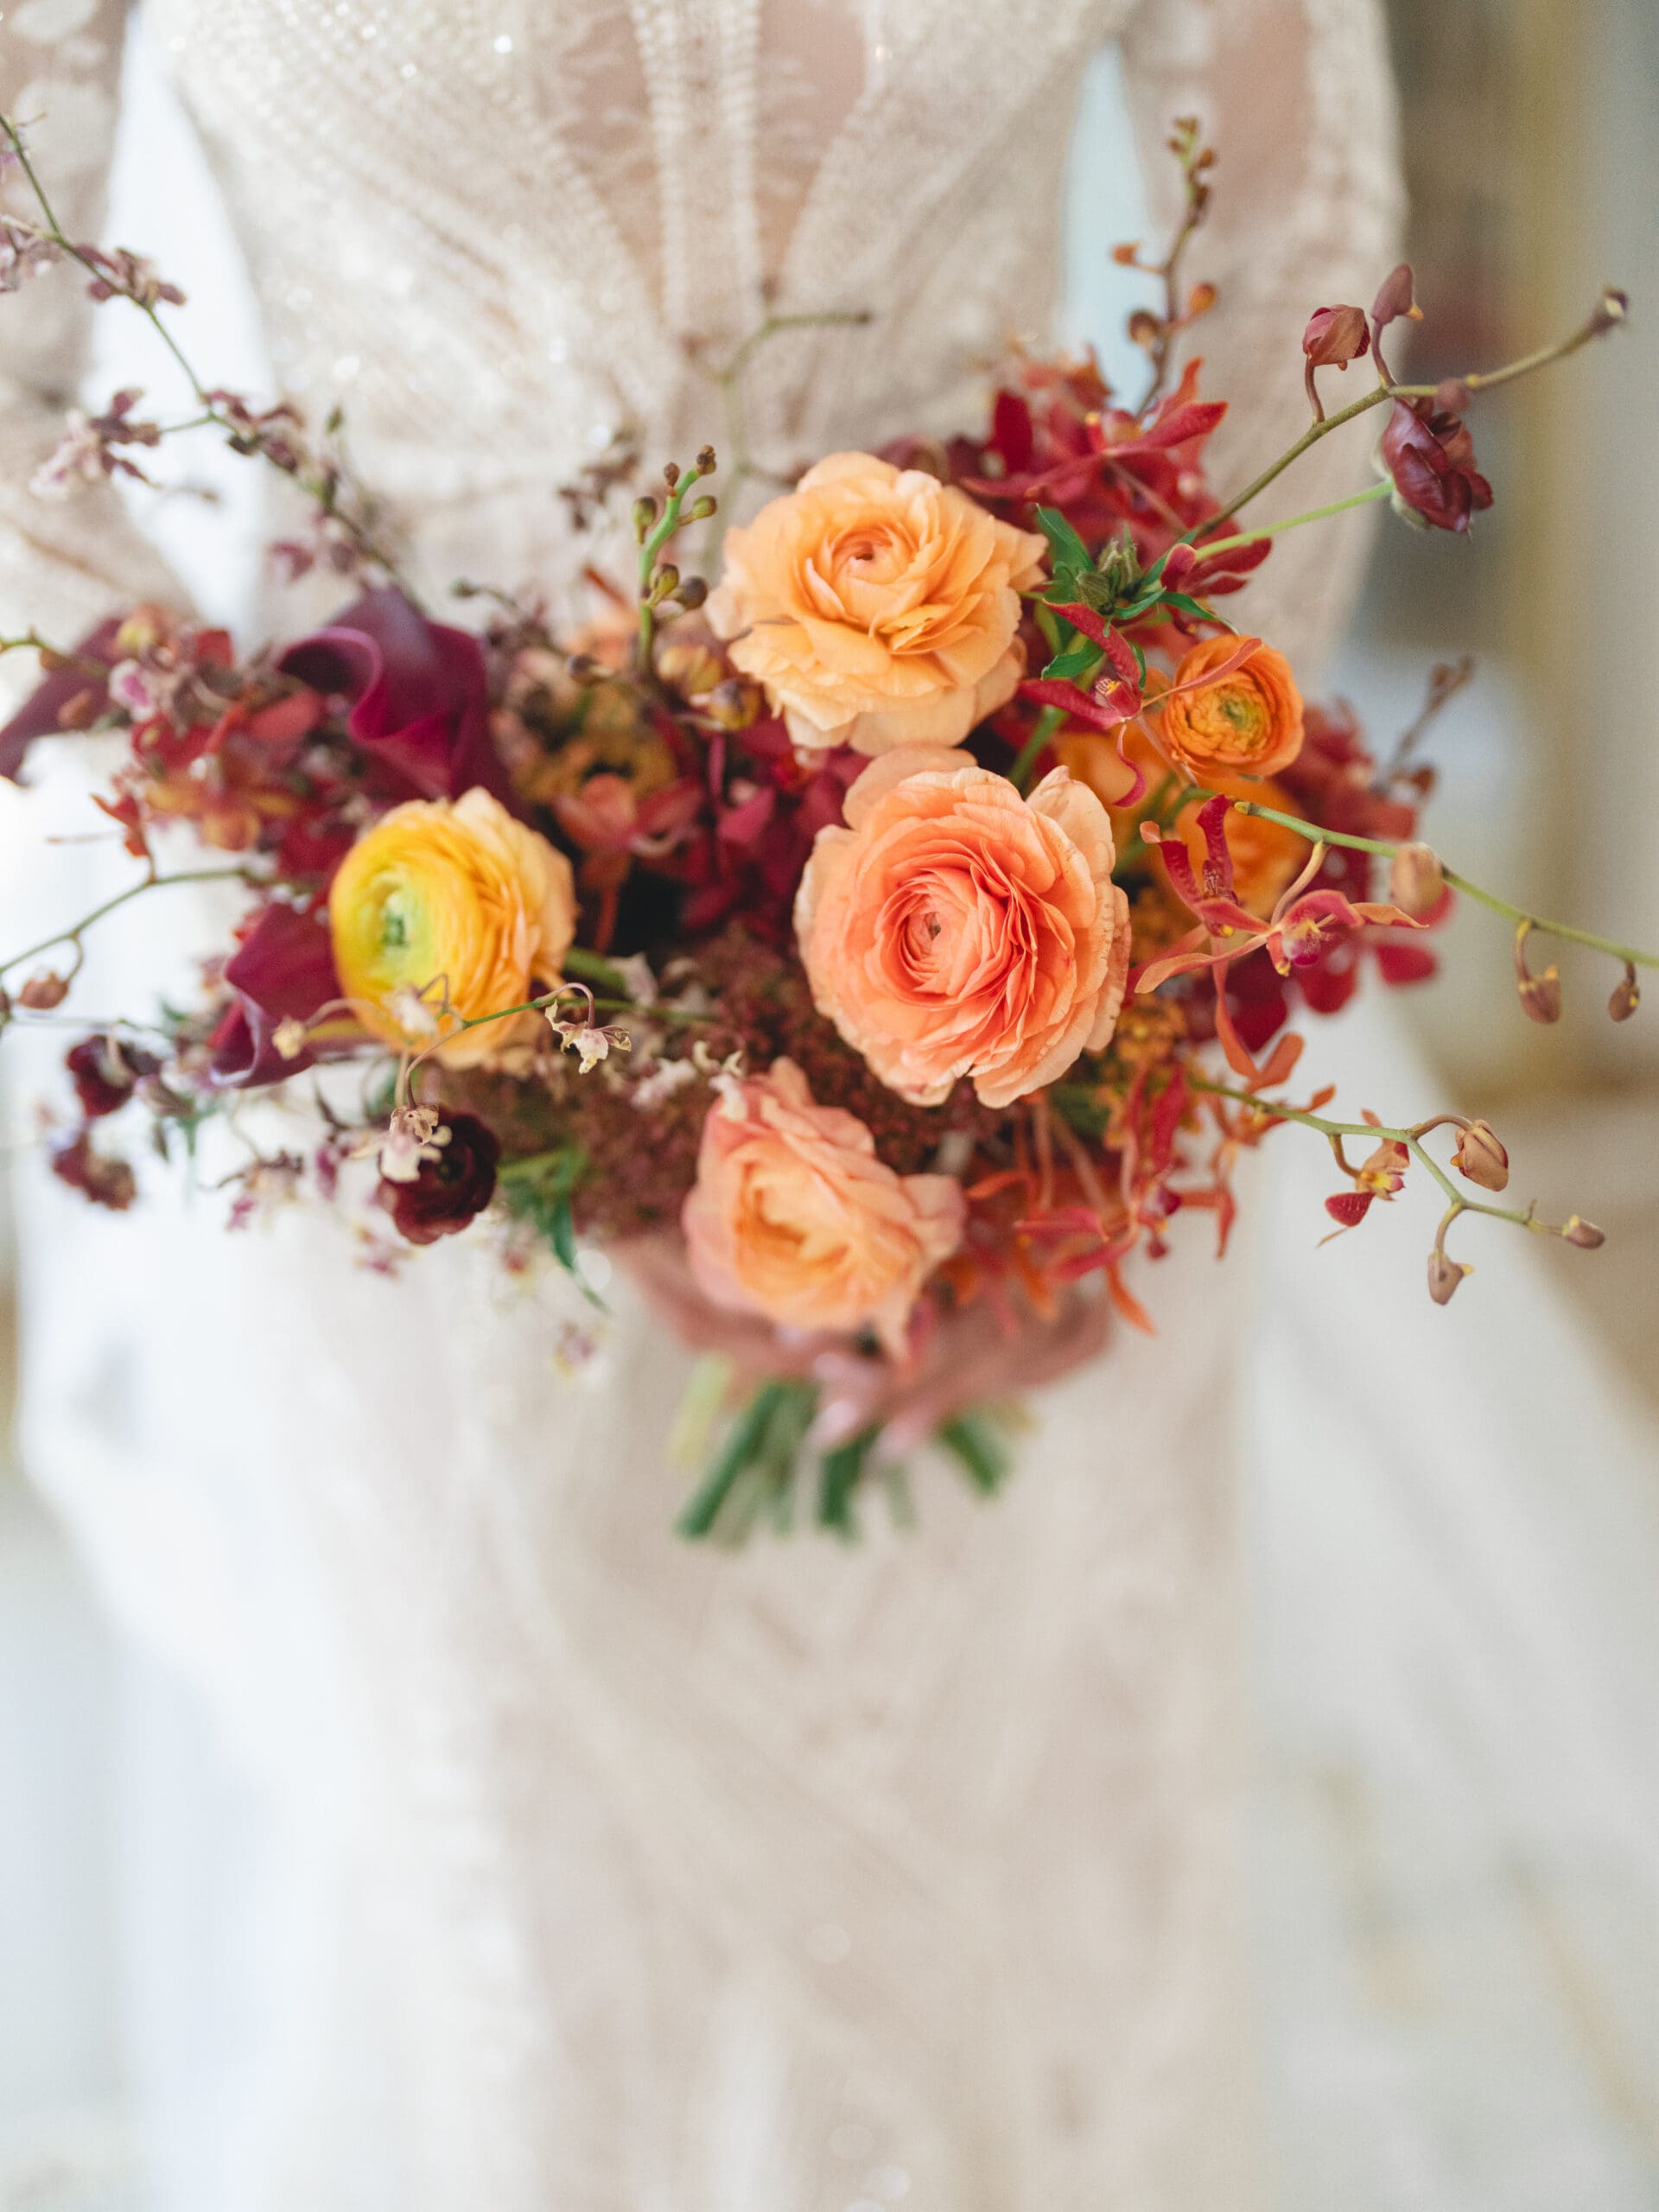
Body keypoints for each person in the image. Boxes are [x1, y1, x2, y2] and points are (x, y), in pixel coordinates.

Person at [0, 4, 1406, 2205]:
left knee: (1018, 1928)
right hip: (431, 1100)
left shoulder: (1047, 1043)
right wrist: (469, 993)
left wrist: (1113, 966)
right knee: (541, 1969)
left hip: (1009, 1037)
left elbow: (1303, 278)